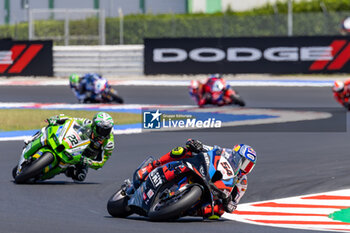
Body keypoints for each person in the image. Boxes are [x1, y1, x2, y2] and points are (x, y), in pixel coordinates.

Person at [135, 139, 257, 219]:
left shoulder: (242, 182)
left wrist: (228, 202)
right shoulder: (223, 153)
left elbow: (234, 204)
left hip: (215, 192)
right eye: (243, 162)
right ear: (235, 155)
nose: (244, 167)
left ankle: (184, 209)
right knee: (182, 151)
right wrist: (196, 144)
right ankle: (153, 165)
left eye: (248, 165)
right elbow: (206, 148)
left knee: (217, 213)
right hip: (202, 171)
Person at [24, 112, 115, 182]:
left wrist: (87, 161)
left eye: (107, 130)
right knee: (47, 128)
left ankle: (64, 170)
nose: (104, 132)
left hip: (84, 157)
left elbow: (101, 164)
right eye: (101, 129)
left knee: (80, 177)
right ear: (94, 126)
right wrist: (56, 119)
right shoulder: (87, 123)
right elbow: (70, 120)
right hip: (73, 144)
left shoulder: (109, 143)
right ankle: (32, 139)